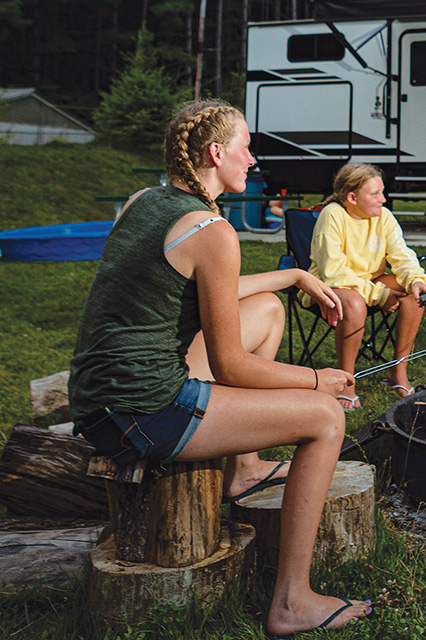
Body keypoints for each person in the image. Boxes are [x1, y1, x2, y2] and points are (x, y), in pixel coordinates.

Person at [67, 100, 371, 635]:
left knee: (268, 312)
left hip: (99, 394)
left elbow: (198, 291)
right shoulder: (212, 228)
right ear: (216, 151)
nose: (252, 159)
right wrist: (319, 381)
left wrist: (292, 276)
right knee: (326, 419)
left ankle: (245, 468)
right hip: (140, 409)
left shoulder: (144, 203)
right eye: (245, 146)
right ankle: (291, 602)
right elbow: (231, 365)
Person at [303, 163, 426, 409]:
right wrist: (380, 294)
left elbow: (402, 255)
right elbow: (333, 274)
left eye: (382, 192)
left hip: (369, 281)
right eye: (375, 194)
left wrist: (417, 279)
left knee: (412, 292)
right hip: (328, 287)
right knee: (354, 302)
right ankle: (346, 382)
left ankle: (398, 371)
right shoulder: (332, 214)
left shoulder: (384, 217)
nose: (383, 199)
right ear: (352, 198)